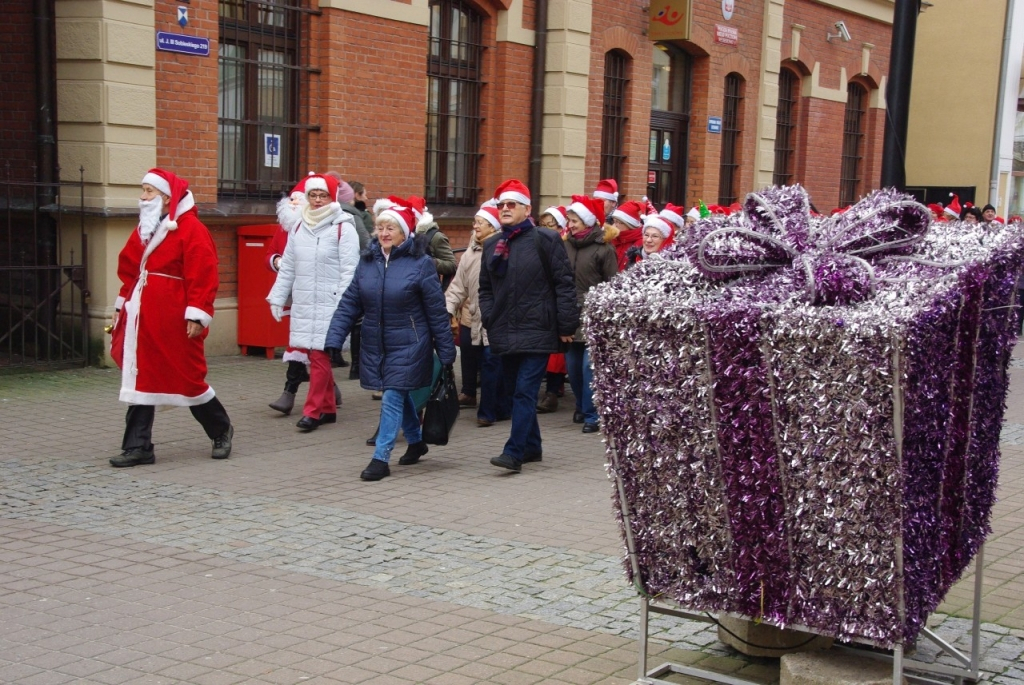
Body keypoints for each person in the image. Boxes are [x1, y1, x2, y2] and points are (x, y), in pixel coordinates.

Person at [108, 168, 233, 467]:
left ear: (166, 197)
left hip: (175, 316)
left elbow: (204, 273)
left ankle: (220, 429)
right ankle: (138, 447)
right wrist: (122, 303)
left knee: (188, 378)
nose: (142, 197)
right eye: (143, 190)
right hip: (142, 315)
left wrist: (198, 314)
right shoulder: (145, 229)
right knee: (140, 375)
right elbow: (129, 269)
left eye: (148, 191)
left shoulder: (191, 229)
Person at [324, 202, 457, 481]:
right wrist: (334, 337)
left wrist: (446, 351)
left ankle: (381, 457)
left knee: (392, 395)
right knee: (400, 392)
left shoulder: (421, 264)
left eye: (391, 227)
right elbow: (350, 302)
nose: (384, 233)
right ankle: (416, 441)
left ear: (405, 232)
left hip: (412, 341)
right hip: (378, 341)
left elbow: (435, 310)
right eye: (380, 227)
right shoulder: (368, 261)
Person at [479, 179, 579, 473]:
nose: (505, 209)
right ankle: (532, 446)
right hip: (504, 329)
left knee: (524, 391)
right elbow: (485, 288)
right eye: (502, 205)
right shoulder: (491, 245)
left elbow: (564, 283)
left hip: (538, 328)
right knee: (513, 392)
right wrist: (489, 314)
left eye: (512, 205)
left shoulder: (545, 240)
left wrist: (565, 323)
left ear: (527, 209)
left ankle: (514, 452)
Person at [267, 173, 360, 431]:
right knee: (312, 353)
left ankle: (313, 411)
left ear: (332, 198)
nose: (317, 200)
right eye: (313, 195)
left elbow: (349, 271)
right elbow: (288, 268)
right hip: (305, 301)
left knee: (319, 355)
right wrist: (277, 297)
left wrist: (343, 305)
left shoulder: (344, 226)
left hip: (331, 303)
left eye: (323, 195)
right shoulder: (298, 227)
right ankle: (328, 408)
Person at [445, 201, 508, 425]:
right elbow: (458, 286)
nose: (475, 226)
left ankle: (487, 412)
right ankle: (485, 401)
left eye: (480, 223)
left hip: (495, 320)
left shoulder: (502, 250)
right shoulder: (470, 252)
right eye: (475, 222)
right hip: (472, 318)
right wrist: (447, 309)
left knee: (492, 365)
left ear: (492, 226)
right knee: (473, 361)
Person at [563, 195, 618, 433]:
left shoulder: (604, 250)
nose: (571, 225)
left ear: (587, 222)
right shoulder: (565, 245)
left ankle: (592, 414)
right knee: (573, 367)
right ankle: (581, 403)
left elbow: (613, 284)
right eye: (569, 220)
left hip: (593, 314)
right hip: (567, 313)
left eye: (575, 220)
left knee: (588, 367)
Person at [334, 177, 374, 377]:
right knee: (358, 318)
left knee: (337, 314)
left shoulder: (326, 215)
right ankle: (356, 366)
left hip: (330, 273)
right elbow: (366, 243)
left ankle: (332, 355)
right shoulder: (354, 216)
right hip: (352, 269)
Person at [535, 205, 570, 414]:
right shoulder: (536, 244)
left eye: (551, 226)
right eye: (543, 225)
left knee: (557, 353)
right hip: (541, 303)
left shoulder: (564, 246)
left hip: (558, 303)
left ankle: (552, 392)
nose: (547, 230)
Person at [608, 200, 645, 271]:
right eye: (614, 221)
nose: (614, 225)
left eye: (618, 222)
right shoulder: (614, 239)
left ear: (629, 225)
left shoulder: (640, 243)